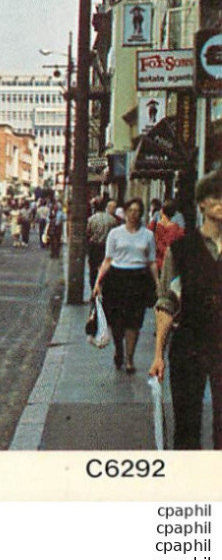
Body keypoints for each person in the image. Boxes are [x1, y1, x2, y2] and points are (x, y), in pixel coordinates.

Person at [150, 171, 222, 449]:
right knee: (187, 427)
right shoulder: (181, 250)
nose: (221, 203)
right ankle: (190, 486)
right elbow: (167, 302)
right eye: (215, 197)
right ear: (201, 203)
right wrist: (158, 354)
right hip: (188, 345)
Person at [93, 197, 159, 374]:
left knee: (134, 321)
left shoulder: (148, 235)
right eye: (130, 210)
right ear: (126, 212)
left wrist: (158, 283)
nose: (133, 214)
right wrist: (98, 281)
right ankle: (119, 350)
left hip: (138, 279)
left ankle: (129, 359)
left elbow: (151, 261)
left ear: (141, 213)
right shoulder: (115, 234)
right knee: (117, 321)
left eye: (137, 211)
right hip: (117, 279)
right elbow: (107, 260)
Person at [85, 199, 119, 300]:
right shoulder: (112, 220)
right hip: (107, 247)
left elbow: (88, 233)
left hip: (94, 247)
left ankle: (93, 290)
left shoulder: (91, 219)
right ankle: (103, 290)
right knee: (106, 269)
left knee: (93, 270)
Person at [153, 200, 185, 266]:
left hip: (159, 261)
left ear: (162, 211)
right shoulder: (177, 229)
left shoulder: (158, 227)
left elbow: (157, 243)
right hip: (172, 261)